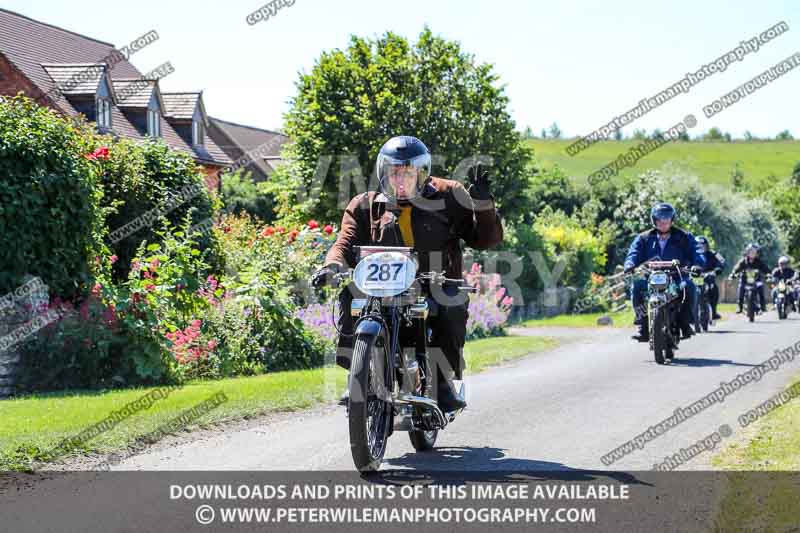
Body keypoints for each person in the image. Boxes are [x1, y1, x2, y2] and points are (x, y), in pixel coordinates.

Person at [310, 135, 503, 412]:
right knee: (349, 295)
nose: (400, 181)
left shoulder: (449, 195)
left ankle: (442, 384)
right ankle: (359, 374)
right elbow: (344, 243)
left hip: (435, 283)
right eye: (394, 173)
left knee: (451, 307)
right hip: (382, 286)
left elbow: (484, 240)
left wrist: (484, 207)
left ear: (421, 173)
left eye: (407, 174)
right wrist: (332, 266)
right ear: (383, 172)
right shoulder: (365, 205)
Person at [623, 203, 706, 342]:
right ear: (654, 220)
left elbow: (697, 252)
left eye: (666, 219)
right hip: (651, 277)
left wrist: (697, 265)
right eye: (660, 219)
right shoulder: (644, 237)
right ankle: (643, 326)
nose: (663, 222)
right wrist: (630, 264)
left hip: (677, 276)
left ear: (672, 220)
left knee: (690, 287)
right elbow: (633, 253)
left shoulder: (684, 236)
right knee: (637, 286)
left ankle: (685, 323)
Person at [731, 243, 769, 313]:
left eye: (754, 252)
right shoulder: (743, 261)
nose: (752, 253)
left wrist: (768, 274)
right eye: (751, 251)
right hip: (744, 280)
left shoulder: (759, 261)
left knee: (761, 288)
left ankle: (763, 306)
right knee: (740, 289)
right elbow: (737, 268)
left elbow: (766, 269)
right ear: (747, 252)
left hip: (756, 280)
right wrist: (733, 274)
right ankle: (740, 307)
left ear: (757, 253)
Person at [695, 236, 725, 320]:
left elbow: (722, 261)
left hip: (708, 277)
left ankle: (714, 311)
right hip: (694, 278)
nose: (700, 247)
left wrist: (717, 269)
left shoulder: (713, 253)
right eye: (698, 245)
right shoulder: (690, 253)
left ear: (707, 245)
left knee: (714, 289)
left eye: (703, 245)